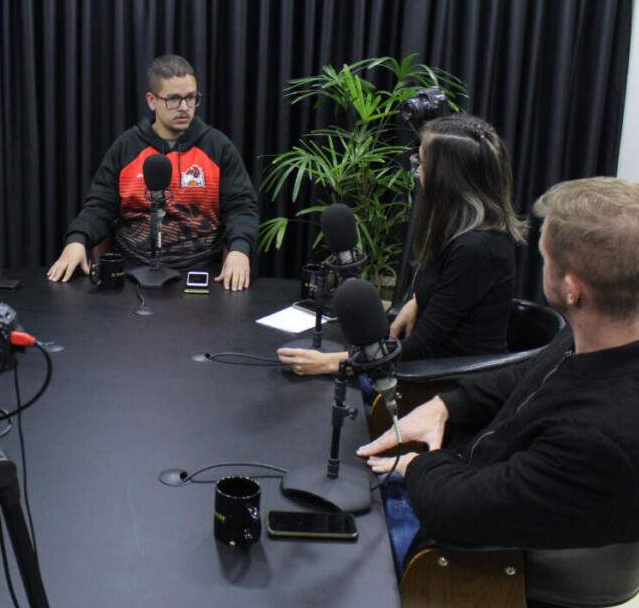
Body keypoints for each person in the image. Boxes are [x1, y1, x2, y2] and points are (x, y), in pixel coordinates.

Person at [359, 177, 639, 608]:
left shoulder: (601, 437)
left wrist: (417, 466)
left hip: (479, 573)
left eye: (544, 257)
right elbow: (533, 371)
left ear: (573, 289)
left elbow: (454, 513)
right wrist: (447, 406)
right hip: (494, 493)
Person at [278, 114, 525, 374]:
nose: (416, 170)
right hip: (434, 366)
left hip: (451, 379)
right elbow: (454, 299)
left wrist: (332, 362)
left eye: (421, 162)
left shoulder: (476, 249)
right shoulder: (461, 232)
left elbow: (422, 346)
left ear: (446, 176)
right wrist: (417, 302)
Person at [46, 54, 259, 290]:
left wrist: (240, 250)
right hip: (132, 273)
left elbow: (241, 208)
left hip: (200, 271)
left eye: (190, 98)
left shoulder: (218, 147)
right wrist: (76, 241)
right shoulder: (126, 147)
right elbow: (99, 207)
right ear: (152, 100)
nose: (184, 108)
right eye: (173, 99)